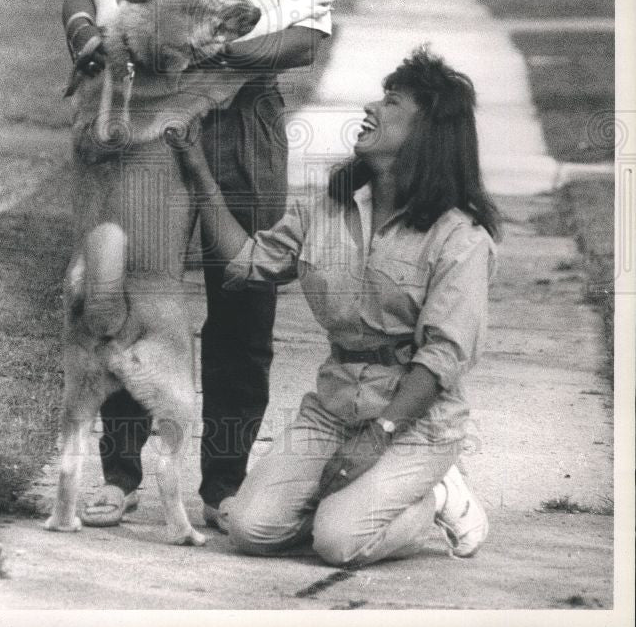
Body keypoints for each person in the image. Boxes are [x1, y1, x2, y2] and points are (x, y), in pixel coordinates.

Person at [61, 0, 335, 529]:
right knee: (133, 288)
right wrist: (89, 37)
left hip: (242, 122)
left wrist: (218, 57)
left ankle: (221, 485)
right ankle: (117, 475)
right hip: (149, 116)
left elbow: (307, 38)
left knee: (243, 303)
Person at [174, 46, 500, 564]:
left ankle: (436, 494)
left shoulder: (460, 237)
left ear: (426, 132)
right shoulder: (326, 209)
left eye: (391, 102)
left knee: (339, 542)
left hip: (415, 422)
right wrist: (200, 173)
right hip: (332, 410)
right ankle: (352, 501)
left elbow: (442, 357)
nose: (371, 108)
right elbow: (245, 263)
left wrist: (380, 434)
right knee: (249, 529)